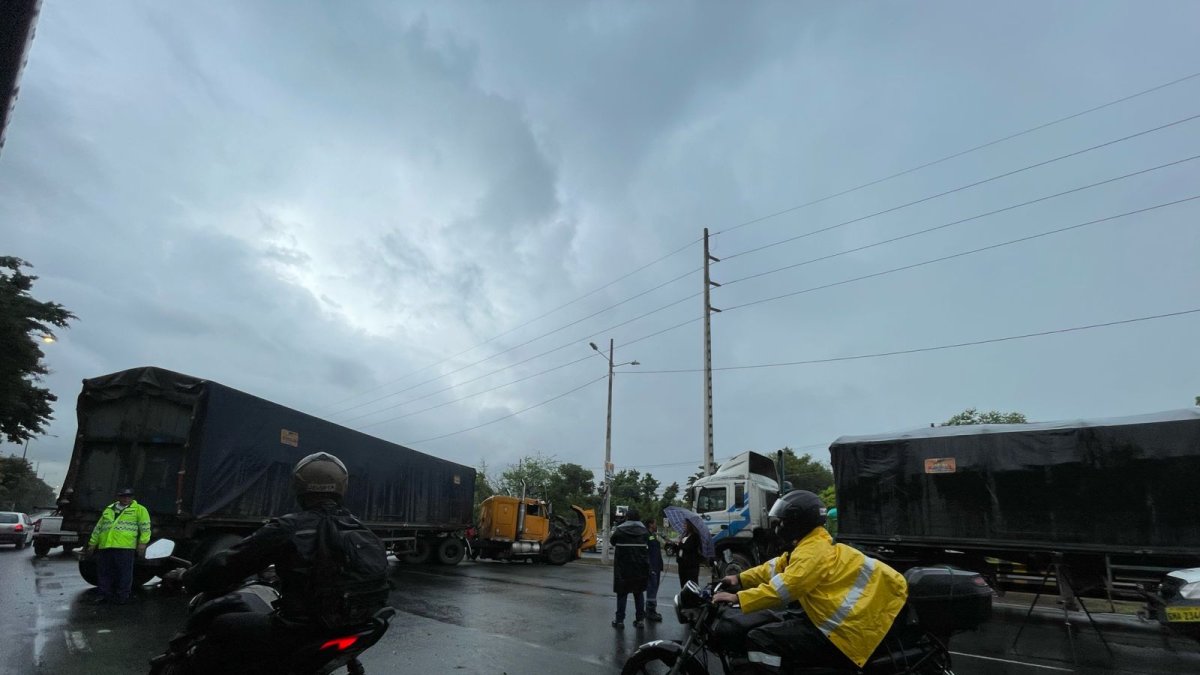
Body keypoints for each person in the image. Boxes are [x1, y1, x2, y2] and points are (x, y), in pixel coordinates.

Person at [181, 452, 390, 673]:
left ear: (299, 486)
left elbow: (229, 563)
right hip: (353, 626)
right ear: (342, 487)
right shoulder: (360, 529)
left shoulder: (288, 528)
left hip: (301, 630)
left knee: (221, 625)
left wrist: (188, 577)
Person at [712, 490, 908, 671]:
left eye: (781, 522)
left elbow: (786, 587)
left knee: (761, 639)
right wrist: (739, 578)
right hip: (834, 615)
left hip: (845, 629)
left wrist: (737, 598)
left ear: (798, 523)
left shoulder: (813, 552)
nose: (778, 527)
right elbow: (774, 567)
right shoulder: (810, 543)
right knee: (779, 621)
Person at [84, 487, 151, 605]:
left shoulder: (139, 510)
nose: (126, 499)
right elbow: (99, 528)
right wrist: (92, 544)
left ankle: (122, 596)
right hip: (106, 546)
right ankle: (104, 594)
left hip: (125, 547)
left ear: (132, 498)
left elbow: (145, 528)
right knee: (104, 572)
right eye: (123, 496)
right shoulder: (109, 509)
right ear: (118, 497)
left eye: (128, 497)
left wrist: (142, 543)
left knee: (124, 573)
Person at [610, 508, 650, 629]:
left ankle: (620, 620)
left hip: (623, 568)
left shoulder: (620, 530)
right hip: (640, 568)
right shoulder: (644, 531)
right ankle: (640, 620)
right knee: (638, 594)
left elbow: (612, 542)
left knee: (622, 594)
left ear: (627, 517)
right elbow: (650, 542)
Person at [644, 519, 664, 622]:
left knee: (654, 589)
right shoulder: (647, 535)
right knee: (651, 589)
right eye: (655, 523)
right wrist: (650, 567)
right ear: (650, 524)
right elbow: (647, 552)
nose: (656, 525)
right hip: (652, 567)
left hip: (656, 566)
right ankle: (650, 611)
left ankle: (650, 610)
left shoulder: (653, 535)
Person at [676, 518, 702, 588]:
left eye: (685, 524)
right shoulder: (684, 535)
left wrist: (680, 544)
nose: (684, 525)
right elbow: (680, 548)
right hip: (682, 563)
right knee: (683, 583)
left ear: (690, 525)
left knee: (691, 584)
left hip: (690, 565)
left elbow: (689, 547)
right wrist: (675, 545)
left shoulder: (695, 536)